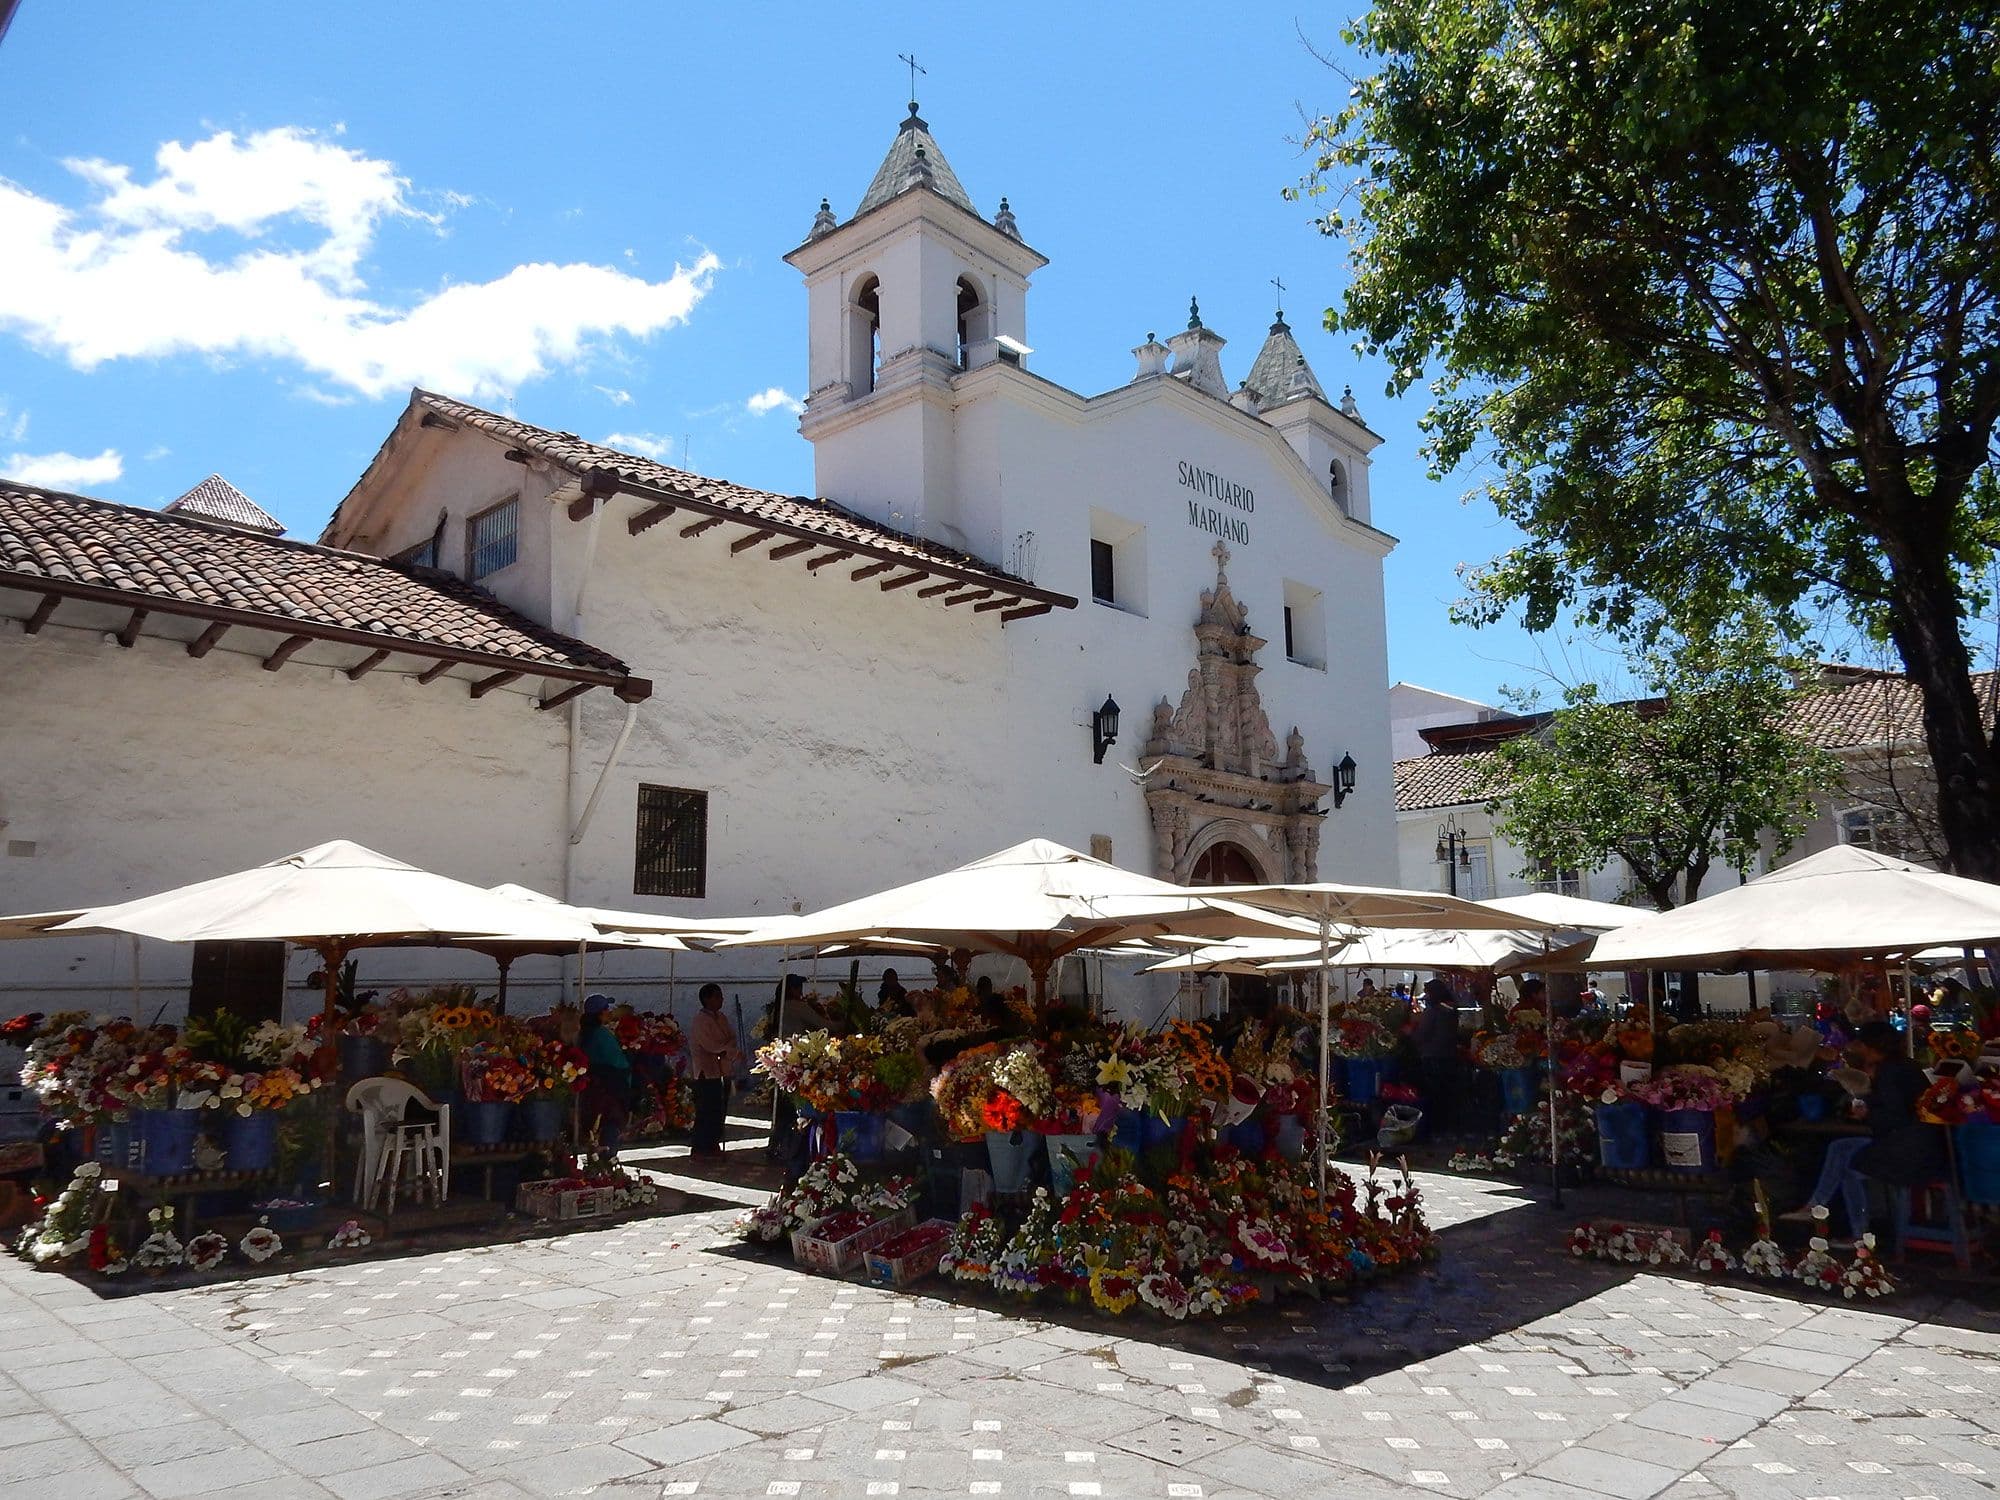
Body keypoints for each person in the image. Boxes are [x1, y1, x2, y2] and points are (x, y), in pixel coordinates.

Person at [1791, 1020, 1944, 1238]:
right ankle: (1822, 1210)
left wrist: (1867, 1114)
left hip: (1909, 1151)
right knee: (1841, 1148)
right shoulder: (1905, 1065)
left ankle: (1848, 1228)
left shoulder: (1890, 1072)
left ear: (1872, 1046)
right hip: (1919, 1144)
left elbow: (1894, 1117)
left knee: (1847, 1164)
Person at [689, 983, 740, 1157]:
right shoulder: (700, 1020)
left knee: (720, 1108)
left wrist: (728, 1048)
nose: (721, 1000)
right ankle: (701, 1145)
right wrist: (725, 1049)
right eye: (717, 996)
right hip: (707, 1070)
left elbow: (731, 1036)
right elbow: (710, 1044)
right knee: (706, 1109)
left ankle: (713, 1142)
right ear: (707, 999)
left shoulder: (721, 1017)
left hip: (722, 1069)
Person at [578, 994, 633, 1149]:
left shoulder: (586, 1033)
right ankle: (607, 1160)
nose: (610, 1012)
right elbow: (619, 1063)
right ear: (600, 1013)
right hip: (610, 1088)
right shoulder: (601, 1035)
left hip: (594, 1087)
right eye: (607, 1009)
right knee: (610, 1125)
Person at [1413, 977, 1461, 1138]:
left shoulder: (1433, 1011)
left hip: (1432, 1056)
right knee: (1447, 1094)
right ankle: (1449, 1128)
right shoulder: (1451, 1009)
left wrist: (1409, 1033)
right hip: (1449, 1056)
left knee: (1434, 1095)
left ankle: (1435, 1130)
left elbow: (1422, 1035)